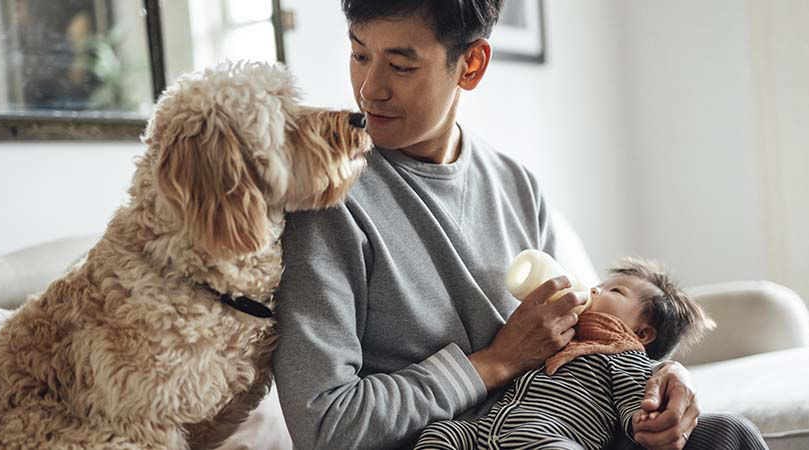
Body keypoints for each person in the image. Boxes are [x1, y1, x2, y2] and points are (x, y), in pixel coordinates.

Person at [272, 1, 764, 448]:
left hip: (555, 432)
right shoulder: (328, 198)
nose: (369, 88)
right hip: (445, 442)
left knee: (727, 436)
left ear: (471, 64)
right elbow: (324, 425)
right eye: (359, 55)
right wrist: (495, 362)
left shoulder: (516, 185)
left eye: (401, 65)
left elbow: (593, 340)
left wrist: (667, 378)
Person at [414, 258, 767, 450]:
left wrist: (643, 419)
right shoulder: (554, 337)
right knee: (439, 435)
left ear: (643, 333)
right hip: (483, 430)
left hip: (551, 436)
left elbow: (638, 399)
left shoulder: (619, 355)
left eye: (614, 291)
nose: (595, 289)